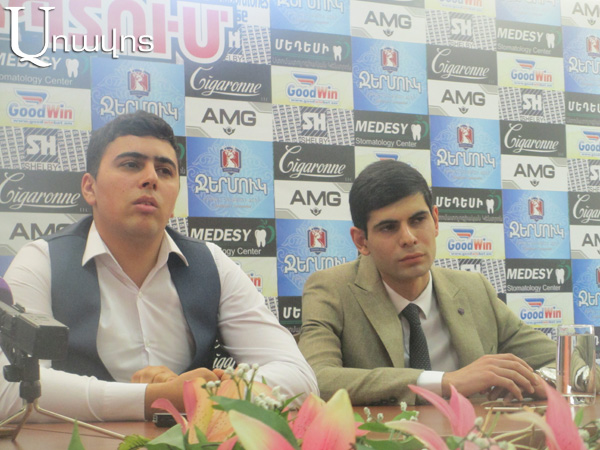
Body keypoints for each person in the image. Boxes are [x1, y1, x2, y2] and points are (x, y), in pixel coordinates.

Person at [0, 111, 317, 422]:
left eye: (165, 171)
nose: (151, 178)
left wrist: (208, 393)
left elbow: (299, 377)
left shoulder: (211, 263)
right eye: (131, 164)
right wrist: (156, 398)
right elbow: (9, 390)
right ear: (89, 188)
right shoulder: (42, 261)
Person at [298, 159, 558, 406]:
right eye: (389, 227)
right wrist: (445, 382)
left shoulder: (474, 288)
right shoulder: (331, 289)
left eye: (417, 220)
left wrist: (540, 381)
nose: (408, 238)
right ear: (361, 241)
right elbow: (315, 378)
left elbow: (566, 362)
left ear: (435, 220)